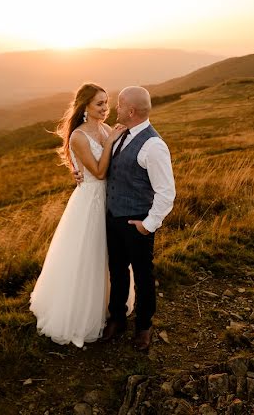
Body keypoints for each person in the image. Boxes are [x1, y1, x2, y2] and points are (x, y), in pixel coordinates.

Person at [29, 83, 128, 347]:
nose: (105, 108)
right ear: (85, 106)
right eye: (99, 104)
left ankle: (111, 305)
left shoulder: (106, 129)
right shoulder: (78, 136)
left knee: (111, 255)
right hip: (91, 202)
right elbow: (98, 172)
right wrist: (113, 143)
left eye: (107, 103)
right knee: (89, 255)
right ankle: (81, 313)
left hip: (110, 200)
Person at [99, 86, 176, 351]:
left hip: (137, 223)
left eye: (119, 105)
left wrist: (148, 224)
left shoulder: (154, 146)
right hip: (114, 217)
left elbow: (166, 193)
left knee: (143, 274)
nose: (115, 109)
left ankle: (144, 326)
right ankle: (117, 318)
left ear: (130, 111)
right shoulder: (121, 133)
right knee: (117, 271)